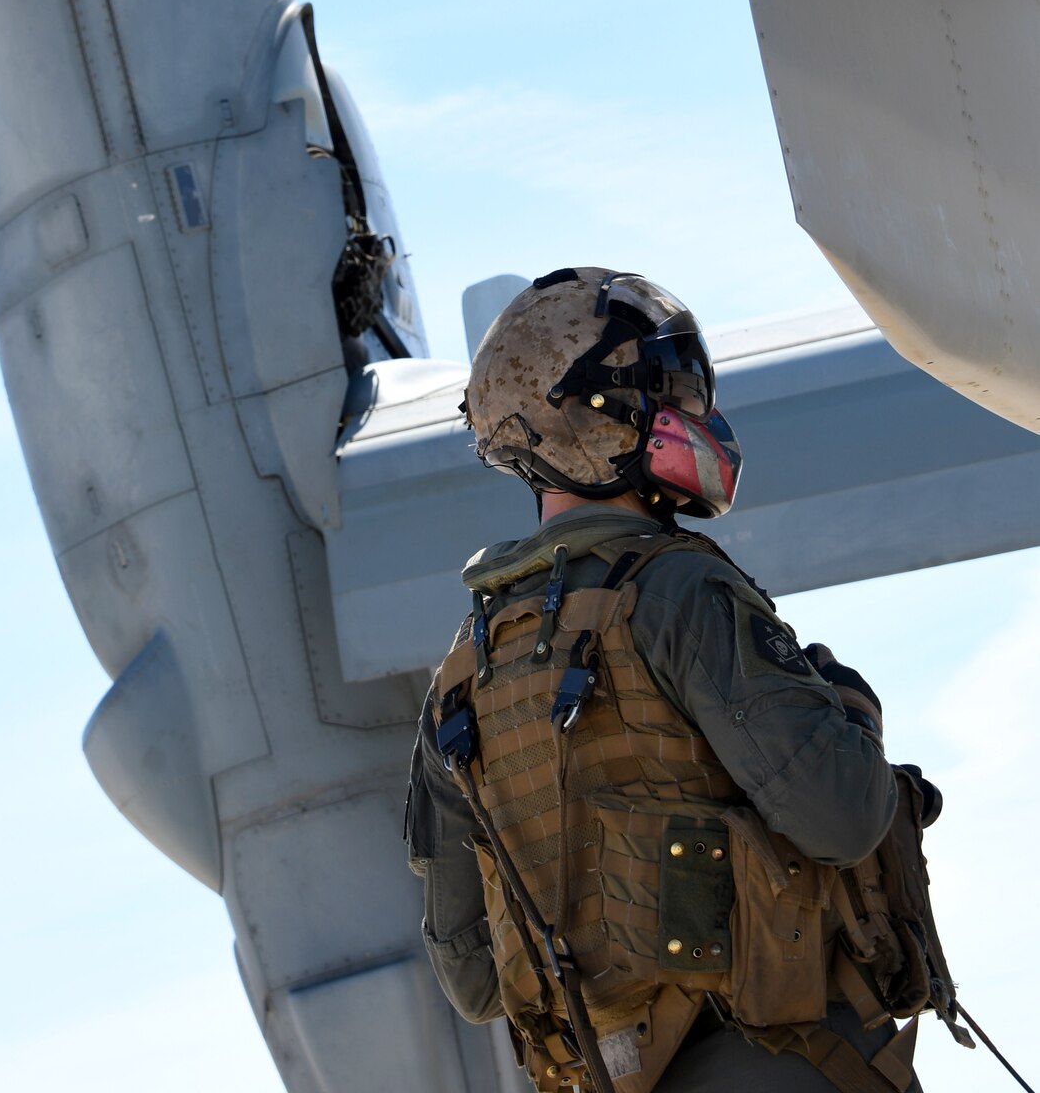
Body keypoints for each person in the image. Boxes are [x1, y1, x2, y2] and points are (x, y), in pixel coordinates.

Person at [406, 269, 954, 1093]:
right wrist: (846, 707)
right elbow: (842, 817)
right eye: (673, 398)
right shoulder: (675, 593)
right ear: (597, 416)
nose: (695, 422)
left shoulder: (461, 677)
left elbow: (476, 983)